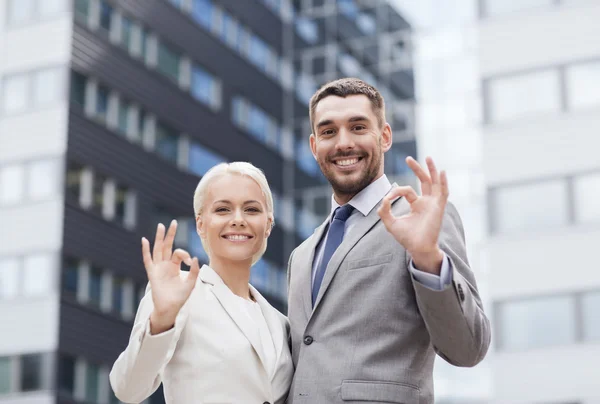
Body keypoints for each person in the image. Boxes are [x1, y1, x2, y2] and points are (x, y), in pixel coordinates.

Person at [286, 78, 491, 404]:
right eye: (328, 132)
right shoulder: (302, 255)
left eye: (357, 127)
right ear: (314, 146)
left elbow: (468, 347)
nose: (343, 143)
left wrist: (426, 256)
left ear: (384, 137)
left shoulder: (420, 217)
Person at [110, 162, 293, 404]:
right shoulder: (181, 293)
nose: (238, 219)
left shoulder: (281, 324)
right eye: (223, 210)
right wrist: (162, 320)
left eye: (251, 209)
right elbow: (128, 389)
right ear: (200, 224)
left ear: (268, 224)